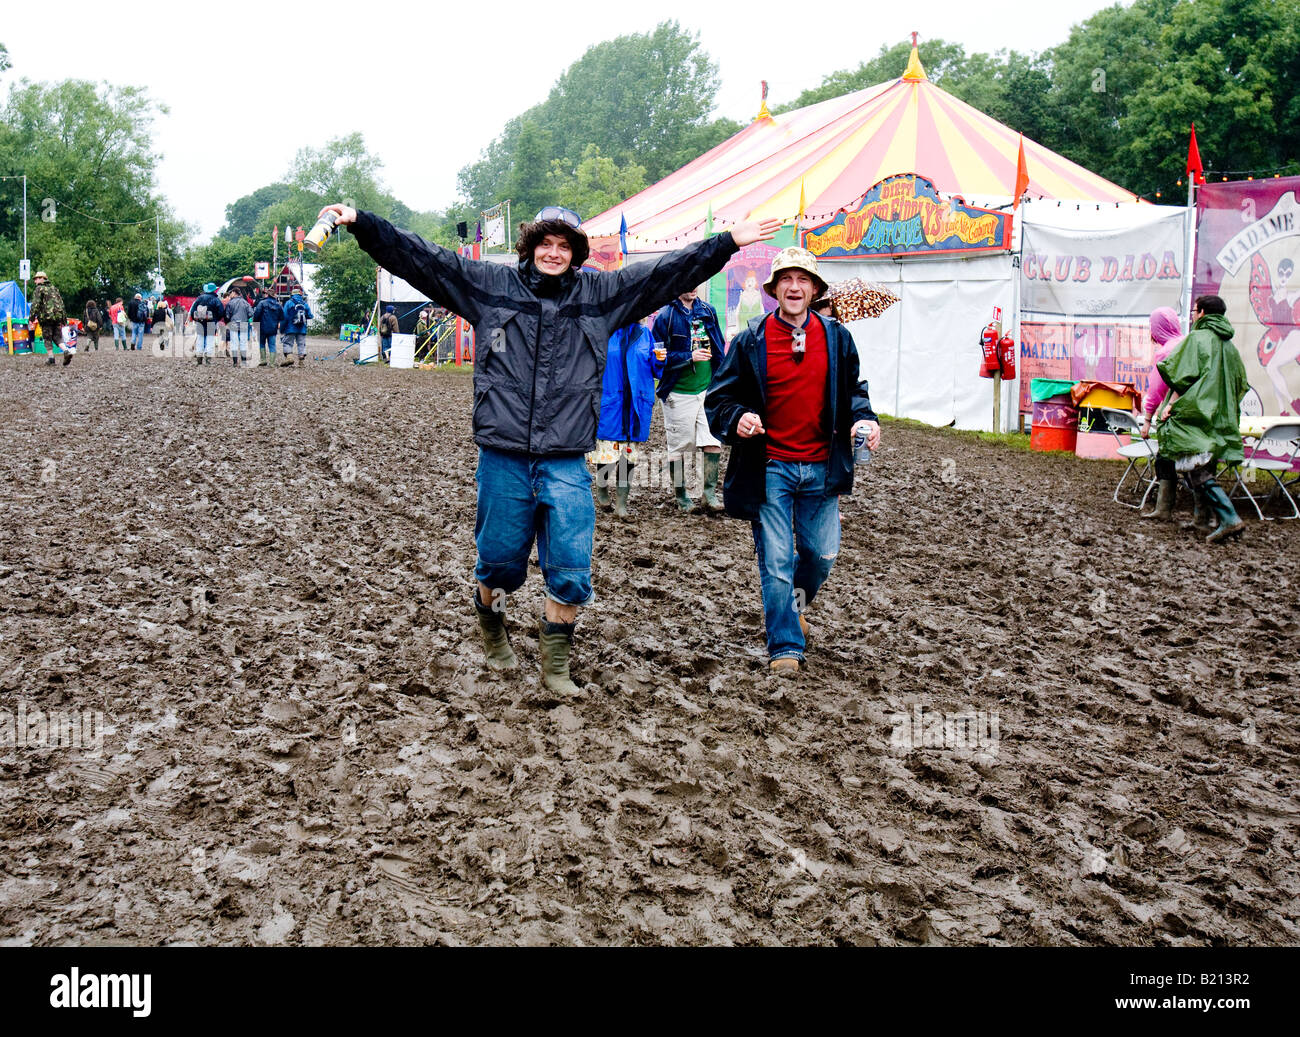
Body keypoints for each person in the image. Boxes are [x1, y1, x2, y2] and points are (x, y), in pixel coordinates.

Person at [324, 200, 780, 695]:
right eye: (546, 242)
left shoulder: (602, 295)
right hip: (504, 455)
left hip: (566, 458)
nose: (554, 252)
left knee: (570, 567)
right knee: (498, 564)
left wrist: (728, 241)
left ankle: (555, 664)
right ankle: (492, 624)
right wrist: (363, 224)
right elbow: (424, 260)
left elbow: (666, 273)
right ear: (530, 245)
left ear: (577, 252)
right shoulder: (490, 287)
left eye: (565, 245)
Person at [705, 247, 880, 674]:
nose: (795, 287)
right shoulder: (751, 341)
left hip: (823, 466)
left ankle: (795, 606)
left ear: (815, 289)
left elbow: (855, 390)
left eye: (803, 280)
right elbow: (718, 399)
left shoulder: (837, 337)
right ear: (774, 289)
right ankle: (785, 645)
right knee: (777, 560)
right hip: (771, 469)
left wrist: (866, 419)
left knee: (821, 555)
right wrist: (738, 418)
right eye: (786, 279)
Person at [1155, 294, 1249, 544]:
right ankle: (1202, 520)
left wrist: (1171, 405)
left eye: (1195, 311)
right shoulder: (1230, 347)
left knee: (1194, 466)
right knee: (1206, 464)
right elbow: (1240, 382)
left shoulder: (1197, 339)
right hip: (1221, 415)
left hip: (1197, 412)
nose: (1193, 315)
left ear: (1204, 313)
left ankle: (1230, 519)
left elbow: (1181, 376)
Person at [651, 286, 726, 511]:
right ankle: (682, 495)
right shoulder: (666, 316)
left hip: (708, 389)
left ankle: (709, 495)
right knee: (680, 447)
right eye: (688, 281)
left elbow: (719, 345)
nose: (693, 286)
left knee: (713, 441)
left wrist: (722, 377)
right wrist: (689, 356)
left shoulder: (708, 311)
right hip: (678, 392)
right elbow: (658, 356)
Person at [592, 320, 663, 518]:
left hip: (635, 405)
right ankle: (602, 487)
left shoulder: (645, 334)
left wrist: (659, 360)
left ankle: (621, 504)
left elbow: (656, 370)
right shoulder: (605, 331)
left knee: (628, 457)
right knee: (607, 454)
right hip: (611, 401)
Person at [1138, 307, 1187, 523]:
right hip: (1194, 410)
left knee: (1165, 458)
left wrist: (1147, 419)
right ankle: (1200, 513)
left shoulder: (1166, 351)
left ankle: (1163, 507)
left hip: (1172, 413)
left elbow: (1156, 389)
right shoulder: (1188, 343)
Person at [30, 271, 70, 366]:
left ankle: (51, 359)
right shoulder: (54, 288)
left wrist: (31, 317)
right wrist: (64, 318)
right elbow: (61, 303)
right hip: (57, 317)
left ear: (42, 279)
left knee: (47, 337)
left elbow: (35, 304)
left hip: (46, 317)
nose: (35, 281)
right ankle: (66, 351)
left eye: (37, 278)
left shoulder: (39, 289)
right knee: (57, 337)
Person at [189, 282, 225, 366]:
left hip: (200, 322)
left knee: (200, 340)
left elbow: (192, 310)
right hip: (211, 323)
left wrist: (196, 319)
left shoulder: (199, 298)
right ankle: (208, 360)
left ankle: (199, 358)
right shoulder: (216, 300)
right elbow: (221, 312)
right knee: (210, 340)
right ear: (214, 290)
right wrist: (216, 319)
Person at [280, 286, 312, 367]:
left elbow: (285, 317)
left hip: (290, 327)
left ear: (292, 294)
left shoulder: (288, 303)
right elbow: (310, 315)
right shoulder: (304, 304)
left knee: (287, 343)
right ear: (300, 294)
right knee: (301, 344)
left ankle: (289, 357)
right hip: (302, 328)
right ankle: (301, 362)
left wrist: (282, 328)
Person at [253, 291, 285, 367]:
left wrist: (255, 324)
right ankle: (272, 363)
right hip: (273, 328)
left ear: (267, 295)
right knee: (272, 345)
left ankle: (263, 360)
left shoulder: (262, 303)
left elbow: (257, 314)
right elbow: (282, 317)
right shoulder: (278, 305)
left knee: (261, 343)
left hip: (262, 327)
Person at [224, 289, 253, 367]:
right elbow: (251, 313)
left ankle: (235, 362)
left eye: (231, 293)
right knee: (243, 343)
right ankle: (243, 361)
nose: (230, 294)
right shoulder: (245, 302)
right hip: (243, 323)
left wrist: (228, 321)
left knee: (234, 343)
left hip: (233, 323)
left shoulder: (230, 303)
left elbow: (227, 315)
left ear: (234, 293)